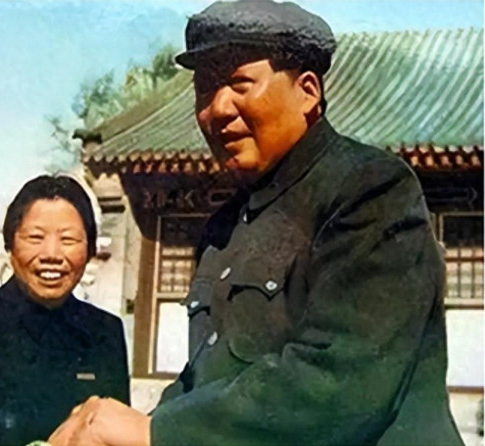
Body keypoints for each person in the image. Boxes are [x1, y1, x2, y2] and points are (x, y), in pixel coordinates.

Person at [49, 1, 464, 445]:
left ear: (307, 91)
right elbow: (206, 378)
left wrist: (155, 432)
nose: (218, 108)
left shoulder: (370, 190)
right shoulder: (224, 227)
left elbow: (341, 381)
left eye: (239, 83)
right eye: (204, 89)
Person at [0, 175, 130, 446]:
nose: (51, 254)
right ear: (10, 245)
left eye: (68, 239)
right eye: (35, 237)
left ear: (91, 249)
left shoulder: (105, 330)